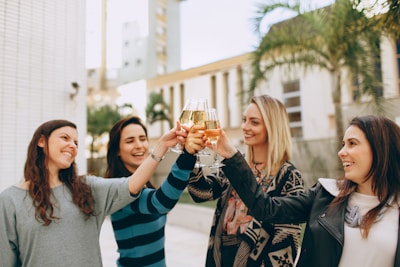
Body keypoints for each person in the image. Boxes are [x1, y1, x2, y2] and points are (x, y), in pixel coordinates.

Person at [214, 115, 400, 267]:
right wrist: (231, 154)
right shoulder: (326, 194)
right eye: (343, 144)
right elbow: (267, 208)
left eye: (352, 143)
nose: (341, 152)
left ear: (380, 149)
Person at [0, 119, 187, 267]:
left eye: (76, 142)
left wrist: (162, 147)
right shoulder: (10, 200)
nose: (73, 145)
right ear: (41, 141)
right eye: (65, 138)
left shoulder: (87, 189)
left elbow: (131, 184)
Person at [186, 95, 305, 267]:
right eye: (244, 120)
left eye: (254, 122)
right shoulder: (236, 165)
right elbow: (201, 193)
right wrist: (190, 154)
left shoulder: (289, 178)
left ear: (273, 127)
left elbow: (284, 250)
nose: (245, 127)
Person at [104, 116, 199, 267]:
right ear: (117, 151)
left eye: (142, 139)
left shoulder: (145, 184)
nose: (139, 145)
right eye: (130, 141)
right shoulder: (119, 190)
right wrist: (186, 156)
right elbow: (160, 203)